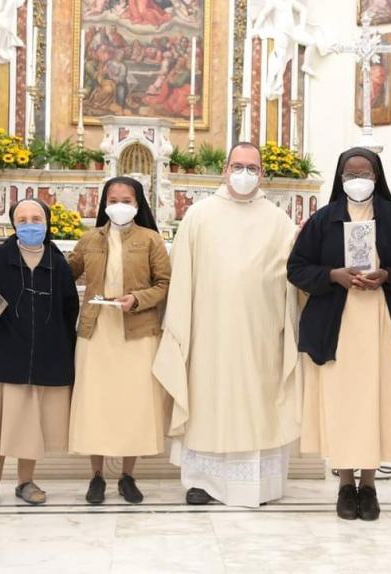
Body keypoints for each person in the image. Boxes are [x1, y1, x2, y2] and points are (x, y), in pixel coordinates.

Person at [288, 147, 391, 521]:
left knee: (374, 402)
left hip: (382, 325)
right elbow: (297, 268)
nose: (358, 180)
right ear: (341, 180)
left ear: (377, 177)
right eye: (351, 174)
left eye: (365, 173)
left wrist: (388, 276)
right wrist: (332, 275)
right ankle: (343, 485)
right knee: (343, 405)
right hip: (336, 328)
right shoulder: (323, 220)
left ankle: (368, 484)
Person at [152, 142, 301, 508]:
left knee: (257, 401)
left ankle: (258, 484)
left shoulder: (279, 221)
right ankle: (201, 481)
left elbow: (293, 280)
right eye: (238, 165)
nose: (245, 174)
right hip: (209, 333)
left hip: (261, 334)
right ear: (224, 168)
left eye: (252, 167)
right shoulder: (199, 216)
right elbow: (182, 277)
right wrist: (180, 329)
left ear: (262, 173)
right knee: (209, 400)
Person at [0, 199, 79, 507]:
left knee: (32, 424)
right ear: (14, 224)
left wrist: (68, 358)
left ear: (46, 221)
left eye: (36, 218)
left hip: (46, 357)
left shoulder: (57, 261)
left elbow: (70, 311)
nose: (30, 224)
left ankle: (26, 482)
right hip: (4, 354)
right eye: (23, 219)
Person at [67, 177, 171, 504]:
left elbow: (165, 283)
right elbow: (66, 271)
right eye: (114, 199)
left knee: (134, 405)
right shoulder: (88, 239)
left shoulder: (151, 240)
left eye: (127, 200)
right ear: (104, 203)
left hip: (137, 333)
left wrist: (137, 299)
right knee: (94, 403)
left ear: (138, 204)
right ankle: (96, 476)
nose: (120, 205)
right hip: (96, 331)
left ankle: (128, 475)